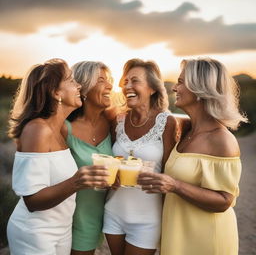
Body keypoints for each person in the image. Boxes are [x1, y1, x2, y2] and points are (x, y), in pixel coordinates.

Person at [138, 58, 248, 255]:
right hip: (177, 233)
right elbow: (163, 118)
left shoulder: (222, 140)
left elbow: (224, 200)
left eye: (181, 82)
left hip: (206, 238)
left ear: (200, 90)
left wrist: (174, 185)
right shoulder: (187, 130)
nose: (174, 88)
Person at [7, 59, 109, 255]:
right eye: (71, 80)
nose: (78, 85)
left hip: (62, 230)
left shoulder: (59, 130)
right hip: (35, 232)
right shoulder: (37, 130)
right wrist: (76, 182)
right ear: (55, 92)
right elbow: (32, 201)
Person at [103, 58, 178, 255]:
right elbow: (111, 162)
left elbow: (171, 172)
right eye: (125, 81)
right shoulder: (117, 120)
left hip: (148, 219)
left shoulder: (167, 122)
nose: (127, 86)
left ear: (153, 88)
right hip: (113, 211)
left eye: (134, 81)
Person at [60, 61, 114, 255]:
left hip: (95, 218)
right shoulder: (65, 127)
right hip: (66, 219)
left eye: (109, 80)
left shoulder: (112, 123)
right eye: (101, 80)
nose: (109, 86)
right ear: (82, 87)